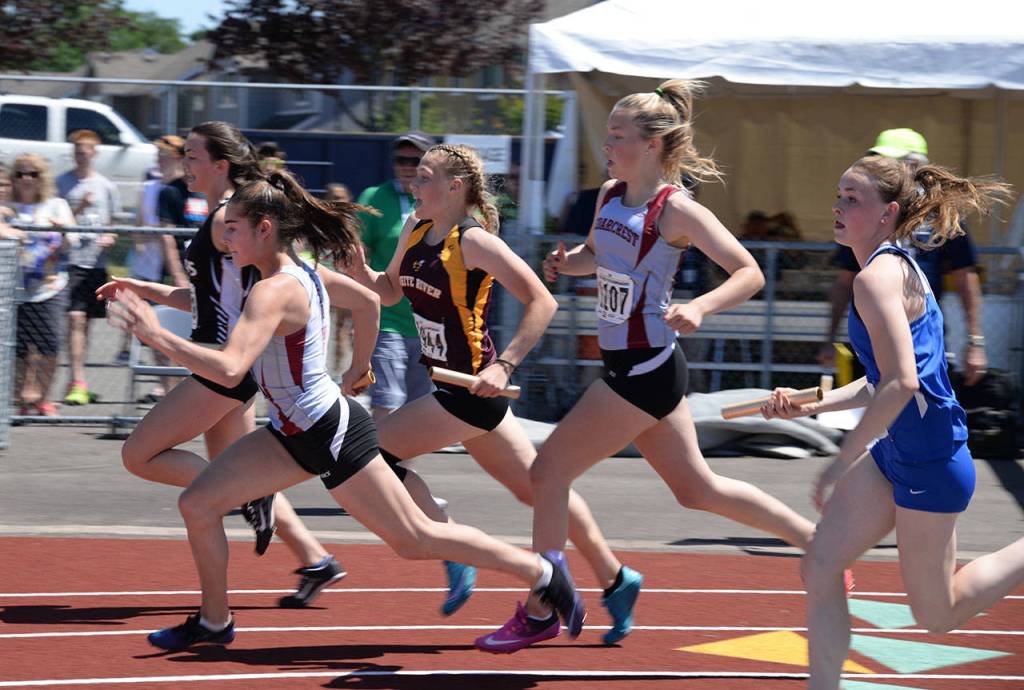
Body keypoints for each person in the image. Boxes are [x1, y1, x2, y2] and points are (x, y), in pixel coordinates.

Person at [103, 170, 584, 652]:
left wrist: (155, 336)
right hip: (293, 432)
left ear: (265, 228)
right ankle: (213, 621)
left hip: (331, 432)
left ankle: (541, 571)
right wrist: (358, 367)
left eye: (232, 227)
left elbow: (230, 369)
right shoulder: (293, 271)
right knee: (198, 503)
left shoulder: (277, 288)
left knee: (414, 539)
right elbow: (367, 300)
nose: (223, 237)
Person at [486, 79, 825, 650]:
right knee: (697, 490)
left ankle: (543, 603)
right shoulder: (609, 195)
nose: (607, 145)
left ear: (652, 143)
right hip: (636, 366)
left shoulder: (677, 211)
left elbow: (749, 273)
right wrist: (569, 263)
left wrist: (699, 305)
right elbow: (597, 257)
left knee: (547, 473)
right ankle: (818, 540)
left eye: (617, 136)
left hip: (644, 369)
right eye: (607, 134)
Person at [344, 143, 627, 649]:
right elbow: (388, 291)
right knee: (538, 488)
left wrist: (505, 364)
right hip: (451, 386)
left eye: (424, 176)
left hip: (473, 391)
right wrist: (360, 271)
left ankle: (449, 543)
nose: (413, 182)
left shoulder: (473, 242)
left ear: (455, 187)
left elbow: (542, 300)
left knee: (368, 451)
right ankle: (615, 578)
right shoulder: (414, 226)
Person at [761, 154, 1023, 690]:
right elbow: (884, 380)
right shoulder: (891, 266)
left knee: (938, 614)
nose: (837, 205)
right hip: (899, 453)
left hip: (931, 461)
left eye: (852, 198)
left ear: (889, 212)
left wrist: (838, 461)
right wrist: (811, 402)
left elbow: (902, 384)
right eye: (838, 194)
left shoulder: (876, 278)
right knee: (820, 565)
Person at [95, 122, 341, 608]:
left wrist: (364, 294)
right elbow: (211, 299)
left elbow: (253, 295)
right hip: (224, 361)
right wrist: (147, 289)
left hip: (223, 366)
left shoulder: (232, 219)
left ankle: (249, 501)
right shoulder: (224, 216)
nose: (184, 163)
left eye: (192, 155)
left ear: (219, 163)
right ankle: (317, 560)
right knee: (242, 475)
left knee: (139, 456)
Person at [819, 128, 988, 385]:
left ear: (915, 163)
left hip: (918, 341)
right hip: (870, 342)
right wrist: (829, 338)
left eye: (890, 161)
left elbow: (966, 278)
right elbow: (844, 281)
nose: (882, 169)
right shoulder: (862, 221)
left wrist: (975, 341)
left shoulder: (942, 217)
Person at [356, 132, 436, 421]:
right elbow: (358, 256)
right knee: (388, 401)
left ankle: (398, 466)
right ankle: (379, 463)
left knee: (419, 409)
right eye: (400, 160)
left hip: (429, 324)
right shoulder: (373, 198)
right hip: (387, 319)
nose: (405, 167)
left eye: (413, 161)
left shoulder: (443, 205)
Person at [56, 129, 120, 406]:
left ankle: (80, 380)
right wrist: (79, 207)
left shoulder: (107, 186)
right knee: (74, 319)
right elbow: (54, 221)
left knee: (86, 323)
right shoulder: (62, 183)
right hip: (71, 261)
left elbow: (115, 225)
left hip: (96, 262)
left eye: (86, 152)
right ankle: (77, 380)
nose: (81, 156)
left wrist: (111, 237)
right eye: (77, 152)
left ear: (94, 153)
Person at [12, 153, 74, 417]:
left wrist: (63, 232)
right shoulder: (6, 206)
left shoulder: (56, 205)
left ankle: (43, 398)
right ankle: (21, 400)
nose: (26, 179)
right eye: (21, 174)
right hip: (14, 290)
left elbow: (72, 244)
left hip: (49, 287)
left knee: (50, 345)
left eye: (33, 174)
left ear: (42, 177)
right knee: (18, 350)